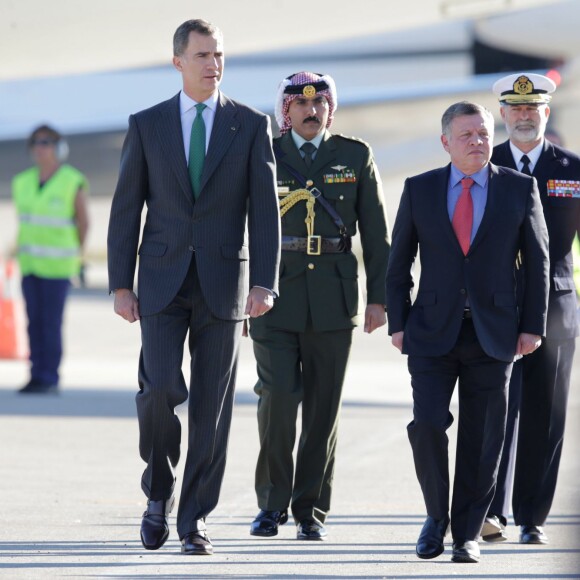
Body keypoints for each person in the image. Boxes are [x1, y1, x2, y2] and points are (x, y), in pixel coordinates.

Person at [107, 19, 281, 556]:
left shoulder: (250, 125)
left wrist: (264, 283)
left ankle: (194, 519)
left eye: (220, 54)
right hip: (160, 281)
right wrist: (119, 284)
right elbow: (125, 208)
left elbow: (266, 211)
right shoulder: (148, 124)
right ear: (177, 60)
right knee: (159, 390)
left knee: (213, 406)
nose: (214, 64)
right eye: (203, 54)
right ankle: (158, 492)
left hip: (225, 284)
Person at [386, 101, 549, 563]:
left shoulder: (518, 189)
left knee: (483, 438)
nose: (478, 142)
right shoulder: (420, 189)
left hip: (494, 333)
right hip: (431, 332)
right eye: (467, 135)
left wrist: (531, 326)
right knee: (428, 425)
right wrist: (398, 323)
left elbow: (536, 263)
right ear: (445, 143)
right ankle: (437, 517)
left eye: (483, 133)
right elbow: (398, 264)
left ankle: (467, 534)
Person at [248, 72, 390, 541]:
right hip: (274, 296)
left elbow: (375, 233)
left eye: (319, 105)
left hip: (334, 299)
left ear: (331, 109)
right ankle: (271, 505)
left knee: (323, 411)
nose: (311, 113)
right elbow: (238, 225)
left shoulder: (354, 155)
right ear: (285, 112)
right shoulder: (265, 153)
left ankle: (310, 510)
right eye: (300, 106)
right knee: (279, 400)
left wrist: (379, 298)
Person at [482, 73, 580, 545]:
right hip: (498, 305)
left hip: (558, 310)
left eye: (533, 108)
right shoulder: (484, 164)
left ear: (546, 112)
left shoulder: (573, 169)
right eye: (516, 109)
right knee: (494, 410)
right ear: (503, 114)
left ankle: (532, 516)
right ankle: (492, 512)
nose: (524, 116)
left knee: (547, 415)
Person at [12, 124, 89, 394]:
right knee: (34, 322)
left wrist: (77, 254)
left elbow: (83, 222)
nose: (40, 147)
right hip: (31, 265)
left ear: (58, 148)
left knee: (51, 323)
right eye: (36, 142)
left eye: (46, 142)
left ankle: (49, 376)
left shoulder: (72, 180)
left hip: (58, 267)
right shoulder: (21, 182)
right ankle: (36, 374)